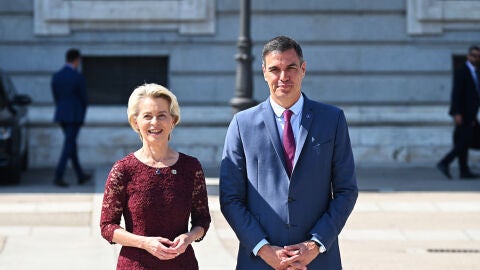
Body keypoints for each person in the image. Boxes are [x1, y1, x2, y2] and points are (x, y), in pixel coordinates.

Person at [220, 36, 358, 270]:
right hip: (260, 261)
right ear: (264, 72)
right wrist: (263, 248)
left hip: (317, 260)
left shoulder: (331, 119)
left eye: (291, 68)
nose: (283, 77)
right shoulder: (242, 124)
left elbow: (346, 190)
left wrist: (315, 244)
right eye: (275, 69)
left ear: (303, 69)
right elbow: (230, 197)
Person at [100, 83, 211, 270]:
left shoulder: (191, 167)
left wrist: (188, 237)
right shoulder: (123, 170)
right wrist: (144, 243)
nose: (155, 123)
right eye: (147, 116)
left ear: (173, 120)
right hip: (135, 265)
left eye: (162, 115)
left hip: (182, 264)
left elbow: (202, 221)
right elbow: (107, 227)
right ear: (135, 122)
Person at [437, 45, 480, 180]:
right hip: (463, 114)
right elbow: (456, 94)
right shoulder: (462, 71)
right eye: (473, 55)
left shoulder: (477, 72)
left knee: (465, 141)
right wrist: (456, 113)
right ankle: (444, 162)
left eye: (478, 56)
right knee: (464, 142)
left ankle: (464, 170)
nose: (476, 58)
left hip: (473, 113)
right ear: (468, 56)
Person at [51, 48, 91, 187]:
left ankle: (80, 175)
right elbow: (84, 98)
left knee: (71, 144)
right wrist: (81, 114)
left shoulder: (57, 75)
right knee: (69, 145)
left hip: (62, 114)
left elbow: (56, 97)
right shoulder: (77, 76)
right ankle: (58, 175)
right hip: (74, 116)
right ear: (76, 60)